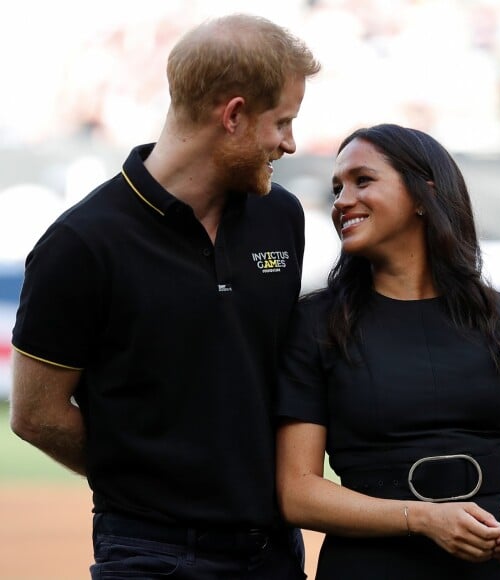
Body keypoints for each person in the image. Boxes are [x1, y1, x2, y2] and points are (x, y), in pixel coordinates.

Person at [10, 13, 320, 579]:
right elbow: (36, 415)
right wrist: (151, 479)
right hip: (148, 553)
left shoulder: (282, 216)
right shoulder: (82, 243)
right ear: (234, 116)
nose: (291, 144)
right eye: (283, 122)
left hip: (274, 552)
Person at [276, 123, 500, 579]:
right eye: (337, 188)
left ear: (422, 194)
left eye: (363, 180)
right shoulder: (315, 324)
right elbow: (297, 491)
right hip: (374, 566)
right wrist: (423, 519)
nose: (342, 201)